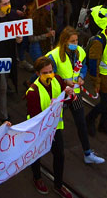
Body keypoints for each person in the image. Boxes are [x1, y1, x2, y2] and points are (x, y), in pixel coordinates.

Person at [45, 27, 106, 164]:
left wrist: (81, 77)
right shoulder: (53, 56)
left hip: (75, 95)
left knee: (81, 123)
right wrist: (64, 81)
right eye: (72, 41)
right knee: (53, 124)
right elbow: (49, 75)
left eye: (77, 40)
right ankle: (46, 146)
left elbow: (83, 66)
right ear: (64, 41)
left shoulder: (80, 52)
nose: (76, 43)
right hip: (60, 97)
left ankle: (88, 153)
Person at [27, 56, 75, 198]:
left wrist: (70, 95)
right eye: (45, 72)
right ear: (38, 74)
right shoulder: (33, 92)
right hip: (38, 129)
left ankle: (58, 185)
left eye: (51, 71)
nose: (50, 74)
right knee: (36, 154)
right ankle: (37, 177)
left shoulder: (57, 80)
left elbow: (66, 100)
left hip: (55, 127)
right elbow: (36, 116)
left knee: (60, 155)